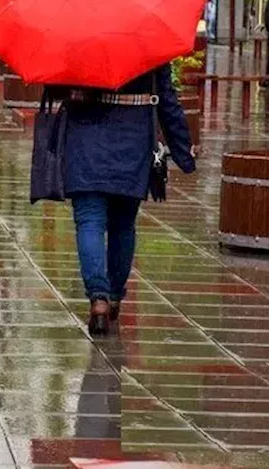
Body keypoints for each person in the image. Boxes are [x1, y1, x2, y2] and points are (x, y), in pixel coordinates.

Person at [55, 66, 195, 336]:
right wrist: (183, 153)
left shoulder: (77, 36)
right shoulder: (148, 38)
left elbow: (56, 85)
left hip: (85, 141)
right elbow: (167, 99)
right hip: (132, 140)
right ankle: (115, 296)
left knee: (89, 220)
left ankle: (98, 299)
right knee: (123, 224)